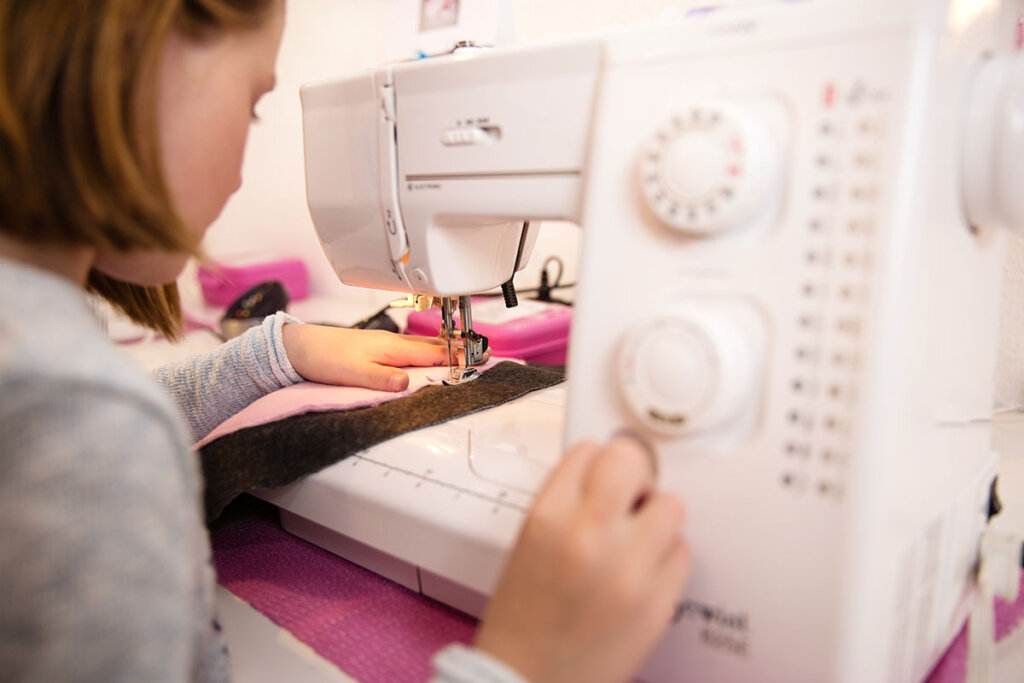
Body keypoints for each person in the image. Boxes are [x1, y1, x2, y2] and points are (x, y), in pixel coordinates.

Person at [0, 1, 691, 681]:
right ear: (138, 52)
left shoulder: (41, 362)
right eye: (252, 104)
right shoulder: (70, 411)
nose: (242, 166)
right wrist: (524, 664)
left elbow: (107, 433)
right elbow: (96, 436)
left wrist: (274, 352)